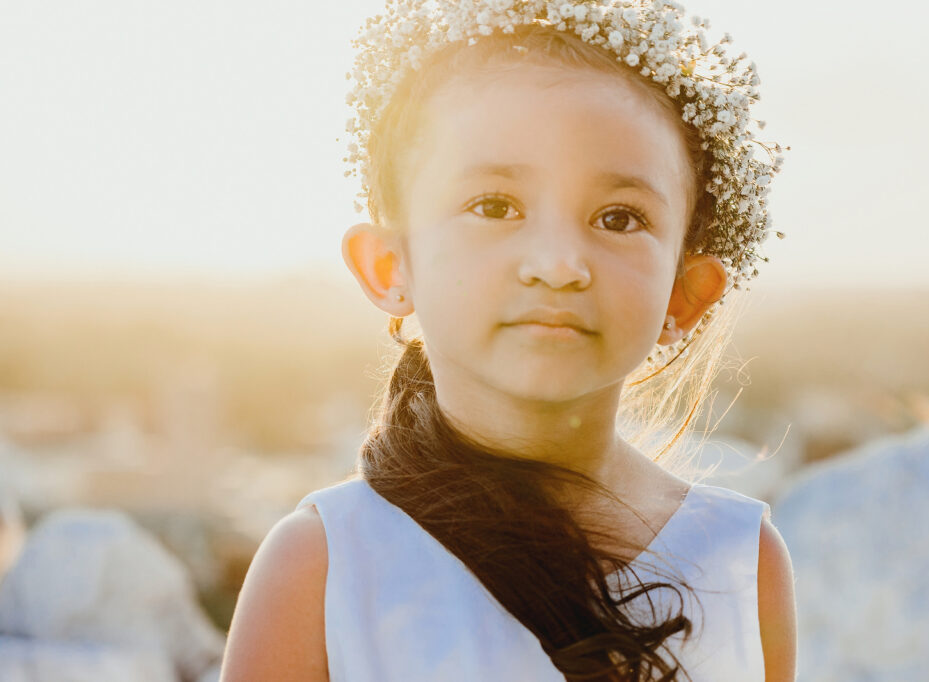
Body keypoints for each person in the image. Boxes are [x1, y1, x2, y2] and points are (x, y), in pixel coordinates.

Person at [222, 1, 796, 680]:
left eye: (618, 217)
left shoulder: (740, 559)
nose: (557, 263)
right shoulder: (324, 566)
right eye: (493, 206)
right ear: (390, 267)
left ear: (685, 292)